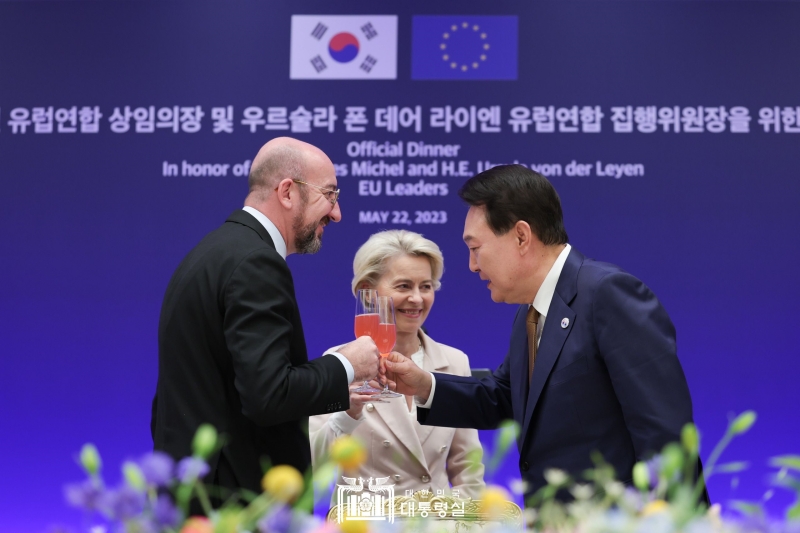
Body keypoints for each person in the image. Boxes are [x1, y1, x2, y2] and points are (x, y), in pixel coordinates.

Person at [384, 164, 699, 499]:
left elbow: (665, 437)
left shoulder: (608, 295)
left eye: (475, 248)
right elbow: (505, 397)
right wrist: (424, 385)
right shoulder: (531, 312)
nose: (472, 265)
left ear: (521, 236)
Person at [151, 137, 380, 499]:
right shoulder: (257, 263)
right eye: (331, 195)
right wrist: (346, 365)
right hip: (236, 503)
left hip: (194, 496)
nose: (336, 213)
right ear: (288, 192)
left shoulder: (213, 251)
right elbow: (269, 395)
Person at [310, 230, 485, 502]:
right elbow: (313, 462)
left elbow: (468, 467)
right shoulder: (337, 362)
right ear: (368, 294)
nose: (417, 299)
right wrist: (346, 415)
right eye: (404, 286)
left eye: (425, 286)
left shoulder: (455, 361)